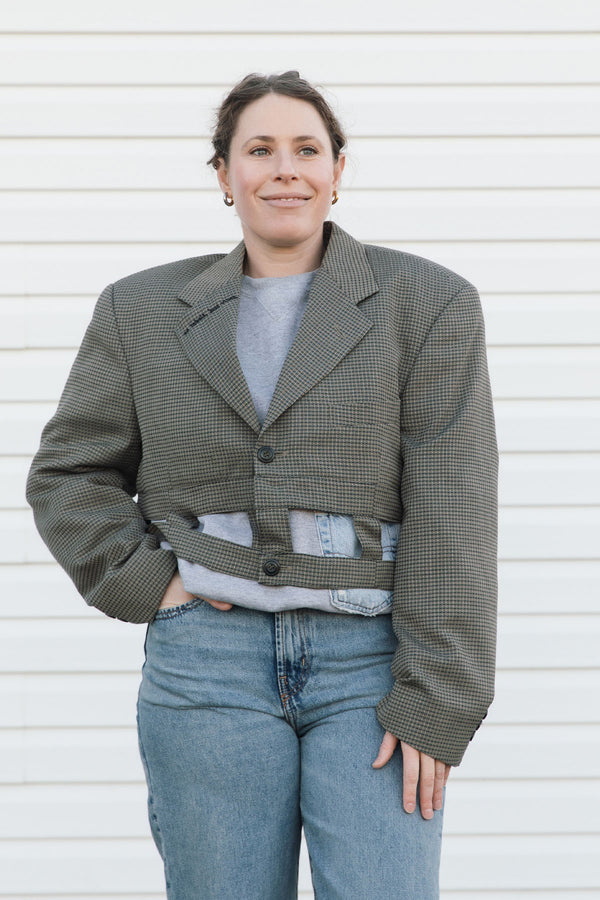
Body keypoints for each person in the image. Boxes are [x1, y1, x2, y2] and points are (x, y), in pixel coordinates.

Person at [27, 71, 498, 899]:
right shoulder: (141, 310)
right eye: (259, 150)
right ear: (224, 174)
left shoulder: (428, 304)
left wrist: (440, 696)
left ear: (338, 170)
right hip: (205, 667)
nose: (285, 169)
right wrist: (153, 584)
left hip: (373, 666)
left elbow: (452, 511)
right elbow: (69, 473)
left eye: (307, 149)